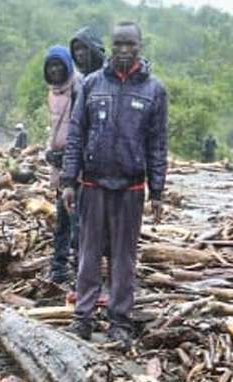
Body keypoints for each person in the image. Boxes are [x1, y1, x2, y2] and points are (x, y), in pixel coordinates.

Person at [61, 22, 168, 344]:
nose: (124, 50)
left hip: (131, 188)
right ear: (111, 45)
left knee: (124, 259)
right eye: (119, 44)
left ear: (140, 46)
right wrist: (69, 179)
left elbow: (157, 143)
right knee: (88, 255)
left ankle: (120, 322)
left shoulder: (154, 90)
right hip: (92, 184)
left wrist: (158, 191)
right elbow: (77, 133)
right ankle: (83, 318)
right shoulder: (92, 85)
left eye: (130, 45)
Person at [42, 44, 80, 285]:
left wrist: (69, 158)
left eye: (59, 65)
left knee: (76, 220)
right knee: (62, 220)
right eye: (51, 66)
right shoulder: (53, 92)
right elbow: (55, 128)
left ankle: (80, 269)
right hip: (59, 163)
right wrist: (50, 152)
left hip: (75, 165)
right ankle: (58, 267)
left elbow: (79, 131)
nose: (55, 70)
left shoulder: (78, 88)